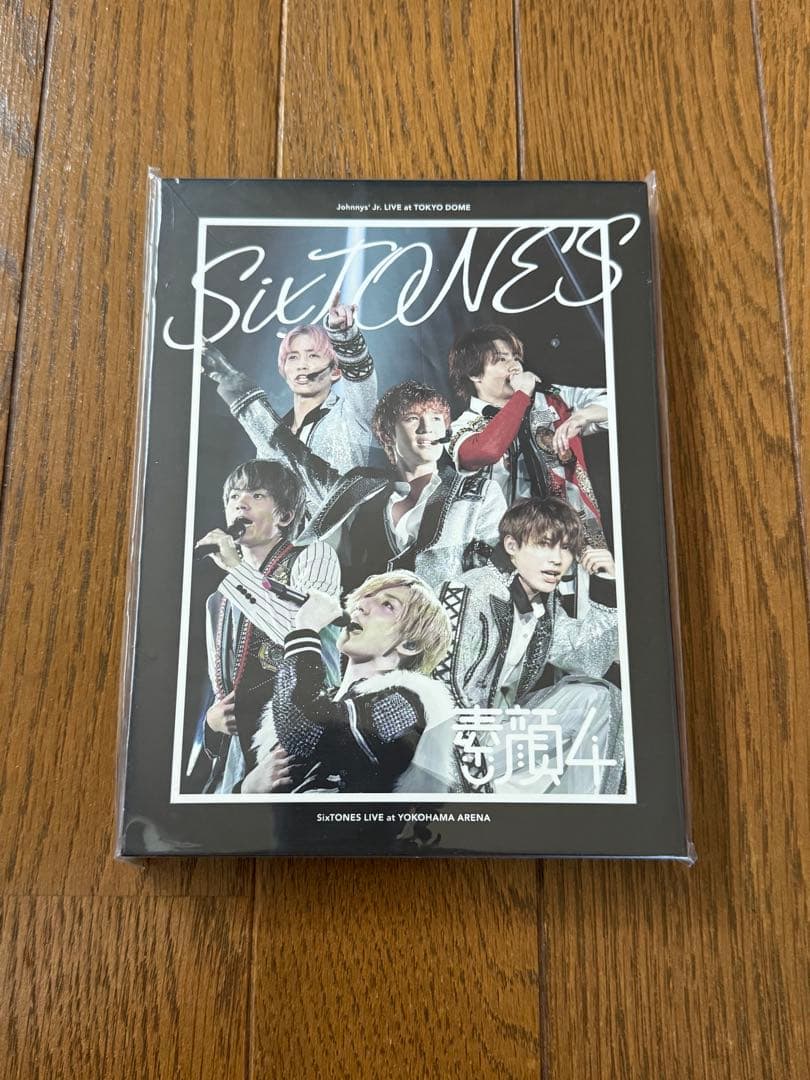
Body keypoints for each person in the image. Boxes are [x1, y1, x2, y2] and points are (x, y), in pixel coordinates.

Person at [436, 496, 623, 795]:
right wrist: (468, 762)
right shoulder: (468, 591)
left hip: (501, 732)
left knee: (597, 697)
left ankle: (582, 813)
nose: (557, 560)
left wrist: (608, 587)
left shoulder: (543, 605)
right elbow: (443, 691)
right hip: (451, 746)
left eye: (566, 548)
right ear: (512, 546)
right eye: (544, 545)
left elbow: (588, 660)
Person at [189, 459, 341, 794]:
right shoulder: (218, 600)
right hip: (238, 759)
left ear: (284, 516)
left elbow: (301, 631)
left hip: (298, 742)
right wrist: (212, 722)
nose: (240, 503)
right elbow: (223, 684)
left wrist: (235, 568)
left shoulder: (313, 556)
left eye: (257, 495)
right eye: (233, 496)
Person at [242, 571, 461, 795]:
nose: (362, 605)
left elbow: (305, 732)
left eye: (388, 605)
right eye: (366, 596)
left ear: (410, 644)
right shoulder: (323, 702)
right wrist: (247, 787)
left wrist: (306, 630)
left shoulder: (407, 705)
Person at [294, 380, 507, 591]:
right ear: (387, 435)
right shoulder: (361, 488)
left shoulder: (479, 493)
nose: (427, 429)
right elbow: (323, 556)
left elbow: (496, 575)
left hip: (443, 612)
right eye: (412, 418)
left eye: (436, 418)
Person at [447, 324, 609, 550]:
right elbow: (486, 451)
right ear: (475, 373)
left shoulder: (553, 400)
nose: (515, 366)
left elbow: (617, 401)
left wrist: (581, 416)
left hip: (573, 538)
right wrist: (521, 394)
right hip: (507, 547)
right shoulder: (463, 425)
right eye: (501, 360)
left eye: (515, 358)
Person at [201, 292, 378, 482]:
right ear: (283, 369)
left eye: (313, 355)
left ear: (335, 371)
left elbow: (360, 375)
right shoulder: (274, 431)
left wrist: (344, 336)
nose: (302, 365)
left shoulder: (353, 414)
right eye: (293, 357)